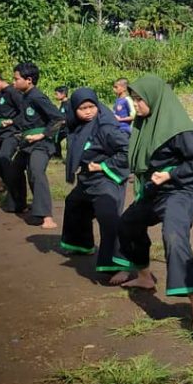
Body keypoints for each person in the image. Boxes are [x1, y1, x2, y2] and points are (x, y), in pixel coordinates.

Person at [113, 75, 193, 329]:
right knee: (128, 223)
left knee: (174, 236)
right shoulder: (145, 123)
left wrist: (171, 173)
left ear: (156, 100)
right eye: (133, 99)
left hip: (179, 191)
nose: (136, 105)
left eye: (140, 99)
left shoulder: (178, 129)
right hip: (155, 190)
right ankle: (145, 277)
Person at [60, 88, 131, 281]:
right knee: (75, 204)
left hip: (105, 179)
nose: (88, 111)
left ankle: (120, 265)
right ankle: (80, 245)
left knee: (109, 218)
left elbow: (127, 149)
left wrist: (104, 166)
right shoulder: (77, 126)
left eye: (92, 106)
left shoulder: (106, 127)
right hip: (87, 179)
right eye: (82, 108)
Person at [2, 62, 65, 229]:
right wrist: (12, 122)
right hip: (27, 143)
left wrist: (42, 134)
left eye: (16, 79)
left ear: (29, 80)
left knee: (36, 171)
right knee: (14, 169)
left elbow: (59, 119)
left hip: (42, 144)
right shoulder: (24, 97)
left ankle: (46, 217)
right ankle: (19, 204)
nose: (13, 82)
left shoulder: (37, 97)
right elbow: (26, 119)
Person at [53, 85, 70, 158]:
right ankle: (57, 155)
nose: (55, 96)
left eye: (56, 94)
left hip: (68, 128)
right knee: (55, 139)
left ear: (63, 94)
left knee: (69, 144)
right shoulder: (63, 103)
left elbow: (70, 116)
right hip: (62, 127)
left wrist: (64, 121)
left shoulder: (69, 104)